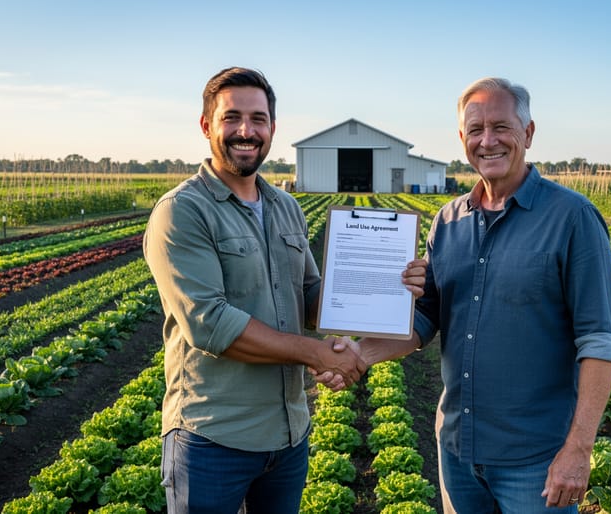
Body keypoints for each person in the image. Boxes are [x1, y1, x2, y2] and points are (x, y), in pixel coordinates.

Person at [142, 66, 426, 514]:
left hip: (289, 434)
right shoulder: (183, 212)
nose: (245, 131)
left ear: (272, 128)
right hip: (213, 437)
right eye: (231, 117)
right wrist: (315, 353)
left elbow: (311, 293)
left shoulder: (284, 207)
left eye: (258, 119)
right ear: (206, 126)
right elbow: (209, 323)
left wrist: (388, 286)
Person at [345, 77, 611, 513]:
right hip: (457, 449)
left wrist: (579, 450)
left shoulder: (573, 218)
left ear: (528, 134)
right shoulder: (448, 220)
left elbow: (600, 342)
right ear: (462, 139)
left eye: (501, 127)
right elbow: (423, 323)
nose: (487, 141)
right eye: (475, 130)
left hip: (535, 461)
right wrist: (359, 356)